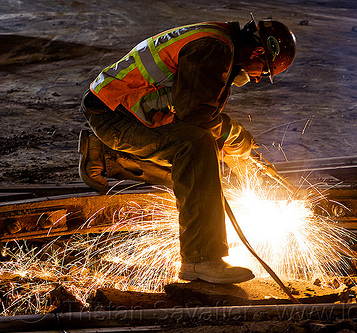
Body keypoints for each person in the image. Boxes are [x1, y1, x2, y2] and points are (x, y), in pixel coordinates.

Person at [78, 14, 296, 284]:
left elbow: (199, 112)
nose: (257, 79)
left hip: (123, 111)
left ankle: (111, 155)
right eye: (264, 71)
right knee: (195, 149)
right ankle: (200, 258)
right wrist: (235, 138)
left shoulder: (220, 42)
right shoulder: (214, 48)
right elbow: (196, 116)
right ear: (258, 51)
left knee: (198, 159)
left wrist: (244, 158)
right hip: (116, 116)